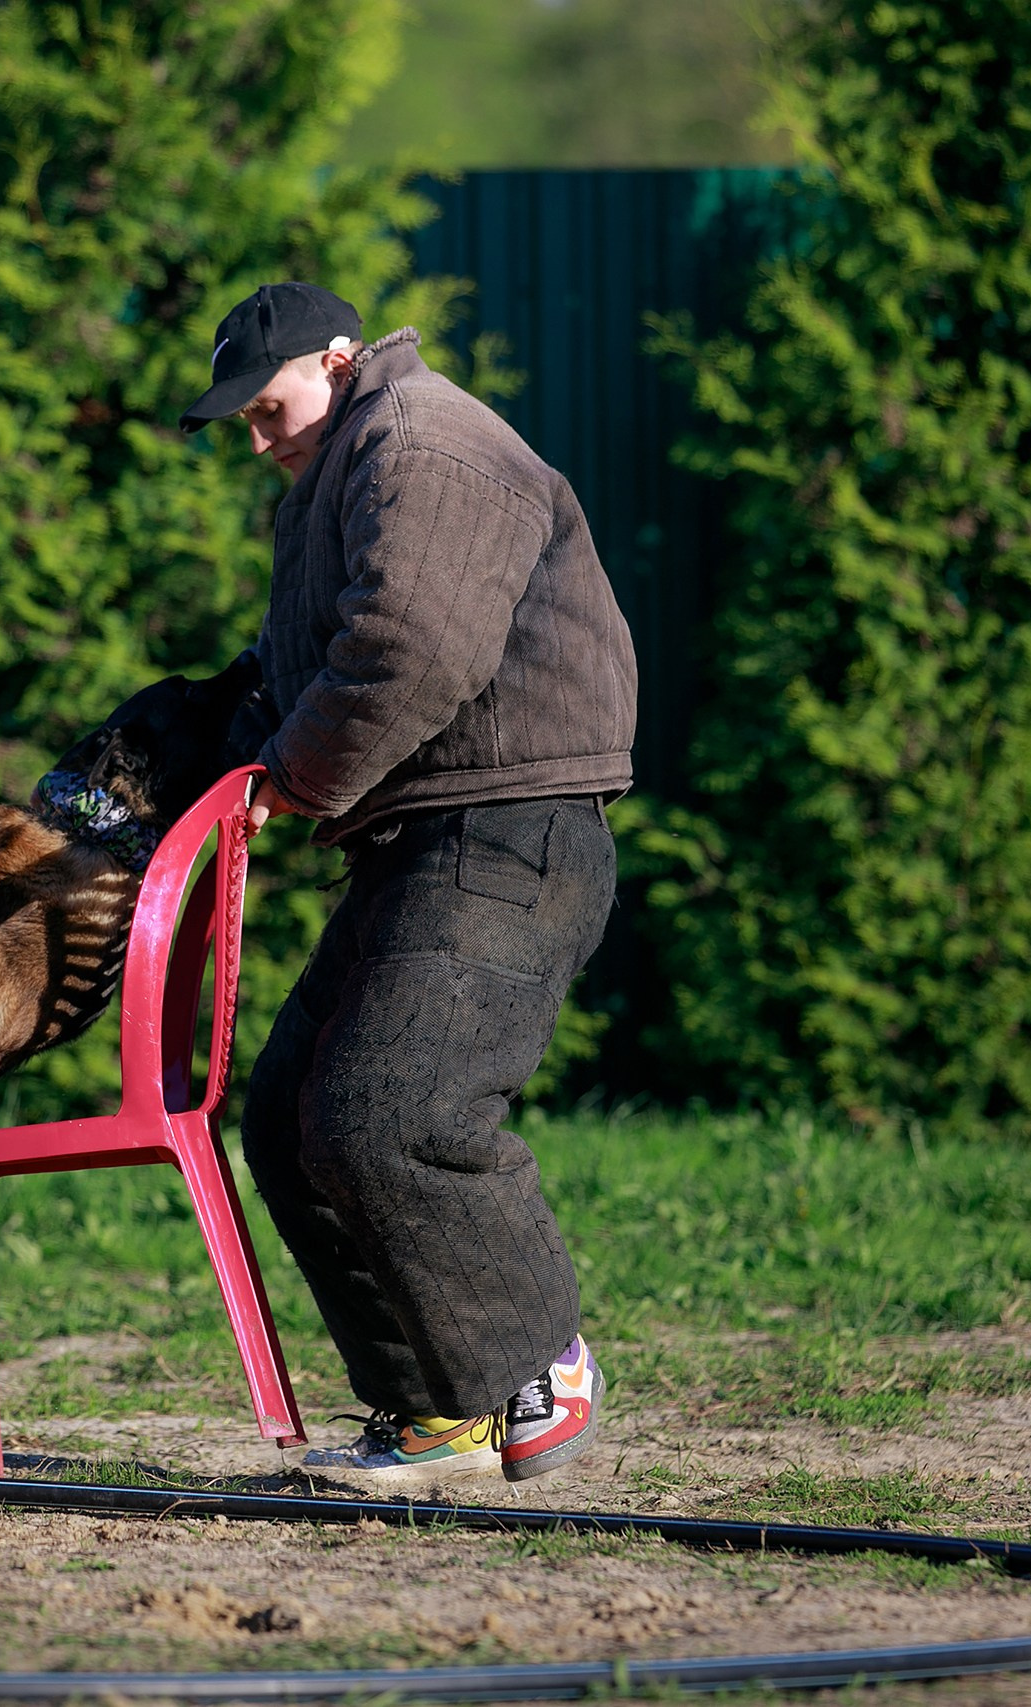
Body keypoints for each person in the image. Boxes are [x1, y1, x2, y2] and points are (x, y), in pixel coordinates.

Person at [179, 282, 638, 1487]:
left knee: (394, 1113)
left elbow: (411, 647)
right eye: (238, 418)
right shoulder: (344, 469)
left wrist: (293, 774)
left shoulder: (423, 442)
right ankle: (435, 1413)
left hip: (512, 825)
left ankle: (543, 1358)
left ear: (338, 360)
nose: (256, 433)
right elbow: (303, 669)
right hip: (423, 835)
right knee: (290, 1121)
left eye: (266, 404)